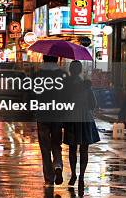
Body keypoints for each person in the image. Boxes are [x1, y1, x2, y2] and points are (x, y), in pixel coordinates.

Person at [63, 61, 100, 189]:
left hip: (71, 119)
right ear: (80, 71)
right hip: (85, 119)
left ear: (70, 71)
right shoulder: (86, 86)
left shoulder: (66, 86)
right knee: (84, 149)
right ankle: (82, 176)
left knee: (72, 149)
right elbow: (93, 104)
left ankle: (73, 174)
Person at [35, 55, 67, 185]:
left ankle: (49, 177)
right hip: (58, 114)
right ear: (56, 60)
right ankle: (58, 166)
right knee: (56, 144)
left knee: (45, 147)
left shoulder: (38, 75)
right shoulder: (62, 75)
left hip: (42, 114)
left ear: (44, 59)